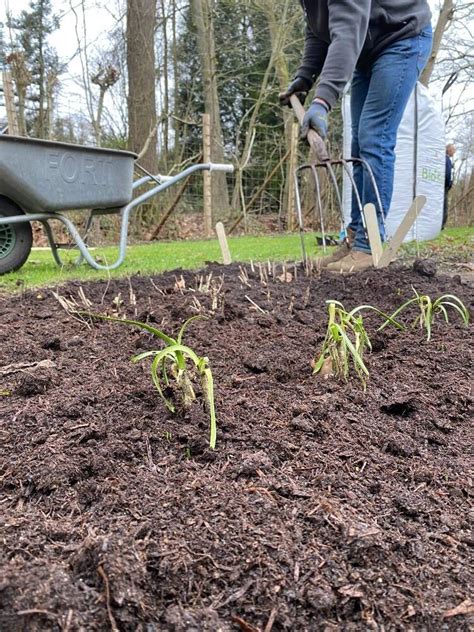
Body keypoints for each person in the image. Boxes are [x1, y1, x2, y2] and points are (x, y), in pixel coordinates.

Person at [280, 0, 433, 272]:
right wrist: (304, 78)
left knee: (374, 135)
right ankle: (354, 238)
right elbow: (318, 32)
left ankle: (370, 244)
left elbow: (348, 30)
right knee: (358, 142)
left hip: (402, 38)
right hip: (367, 50)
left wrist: (323, 100)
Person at [443, 144, 455, 229]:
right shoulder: (446, 160)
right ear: (449, 150)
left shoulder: (447, 160)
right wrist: (448, 184)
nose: (454, 152)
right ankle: (442, 225)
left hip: (444, 186)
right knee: (444, 206)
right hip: (444, 187)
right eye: (453, 150)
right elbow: (447, 174)